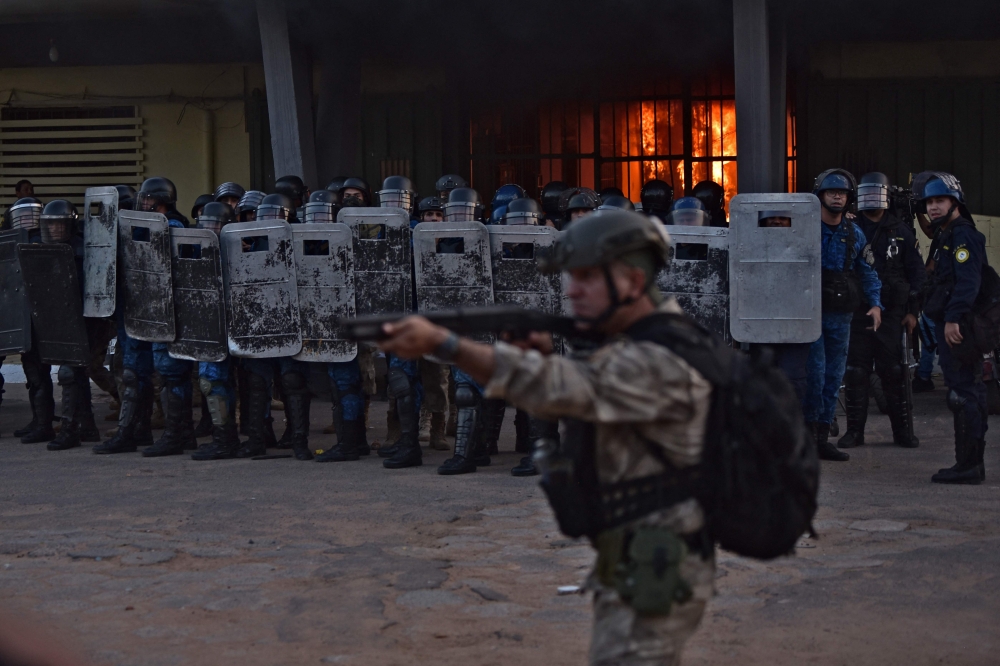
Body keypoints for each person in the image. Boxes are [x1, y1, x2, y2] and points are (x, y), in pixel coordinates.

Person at [377, 209, 714, 663]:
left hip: (657, 556)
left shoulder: (660, 355)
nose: (571, 291)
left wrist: (444, 344)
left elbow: (559, 388)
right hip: (631, 549)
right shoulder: (639, 340)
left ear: (633, 282)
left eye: (587, 278)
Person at [93, 177, 184, 454]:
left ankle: (177, 435)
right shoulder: (129, 226)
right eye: (141, 199)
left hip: (162, 310)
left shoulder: (174, 227)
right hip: (133, 308)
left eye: (148, 200)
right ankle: (134, 432)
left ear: (163, 202)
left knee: (169, 373)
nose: (142, 204)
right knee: (133, 373)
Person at [838, 173, 925, 451]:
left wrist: (913, 312)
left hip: (892, 313)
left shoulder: (902, 231)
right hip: (856, 311)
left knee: (894, 371)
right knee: (855, 371)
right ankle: (855, 432)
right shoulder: (848, 228)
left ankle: (902, 433)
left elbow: (916, 275)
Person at [807, 169, 882, 462]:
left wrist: (875, 304)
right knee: (813, 376)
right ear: (820, 195)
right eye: (831, 192)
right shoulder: (805, 228)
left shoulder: (854, 233)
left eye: (842, 193)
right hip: (810, 314)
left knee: (832, 376)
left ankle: (822, 438)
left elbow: (868, 271)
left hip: (840, 316)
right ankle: (807, 437)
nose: (837, 196)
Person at [921, 174, 990, 484]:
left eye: (940, 201)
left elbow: (968, 283)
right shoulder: (945, 235)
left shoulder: (963, 237)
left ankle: (970, 465)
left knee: (964, 394)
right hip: (949, 321)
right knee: (963, 392)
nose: (933, 207)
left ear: (955, 203)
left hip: (959, 326)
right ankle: (968, 462)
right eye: (930, 202)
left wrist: (952, 319)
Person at [37, 200, 102, 451]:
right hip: (59, 318)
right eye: (49, 225)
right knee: (76, 373)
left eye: (58, 224)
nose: (53, 229)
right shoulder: (43, 249)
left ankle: (69, 430)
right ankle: (87, 426)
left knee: (68, 372)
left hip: (83, 319)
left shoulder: (82, 250)